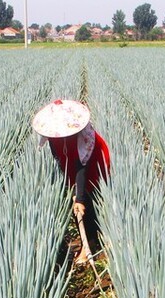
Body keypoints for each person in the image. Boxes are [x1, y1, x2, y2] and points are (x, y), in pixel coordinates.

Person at [31, 99, 110, 263]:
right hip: (74, 164)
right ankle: (90, 242)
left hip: (94, 161)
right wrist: (71, 186)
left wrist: (80, 198)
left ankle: (89, 244)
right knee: (78, 200)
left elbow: (82, 165)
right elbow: (59, 158)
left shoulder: (81, 135)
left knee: (88, 199)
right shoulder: (52, 135)